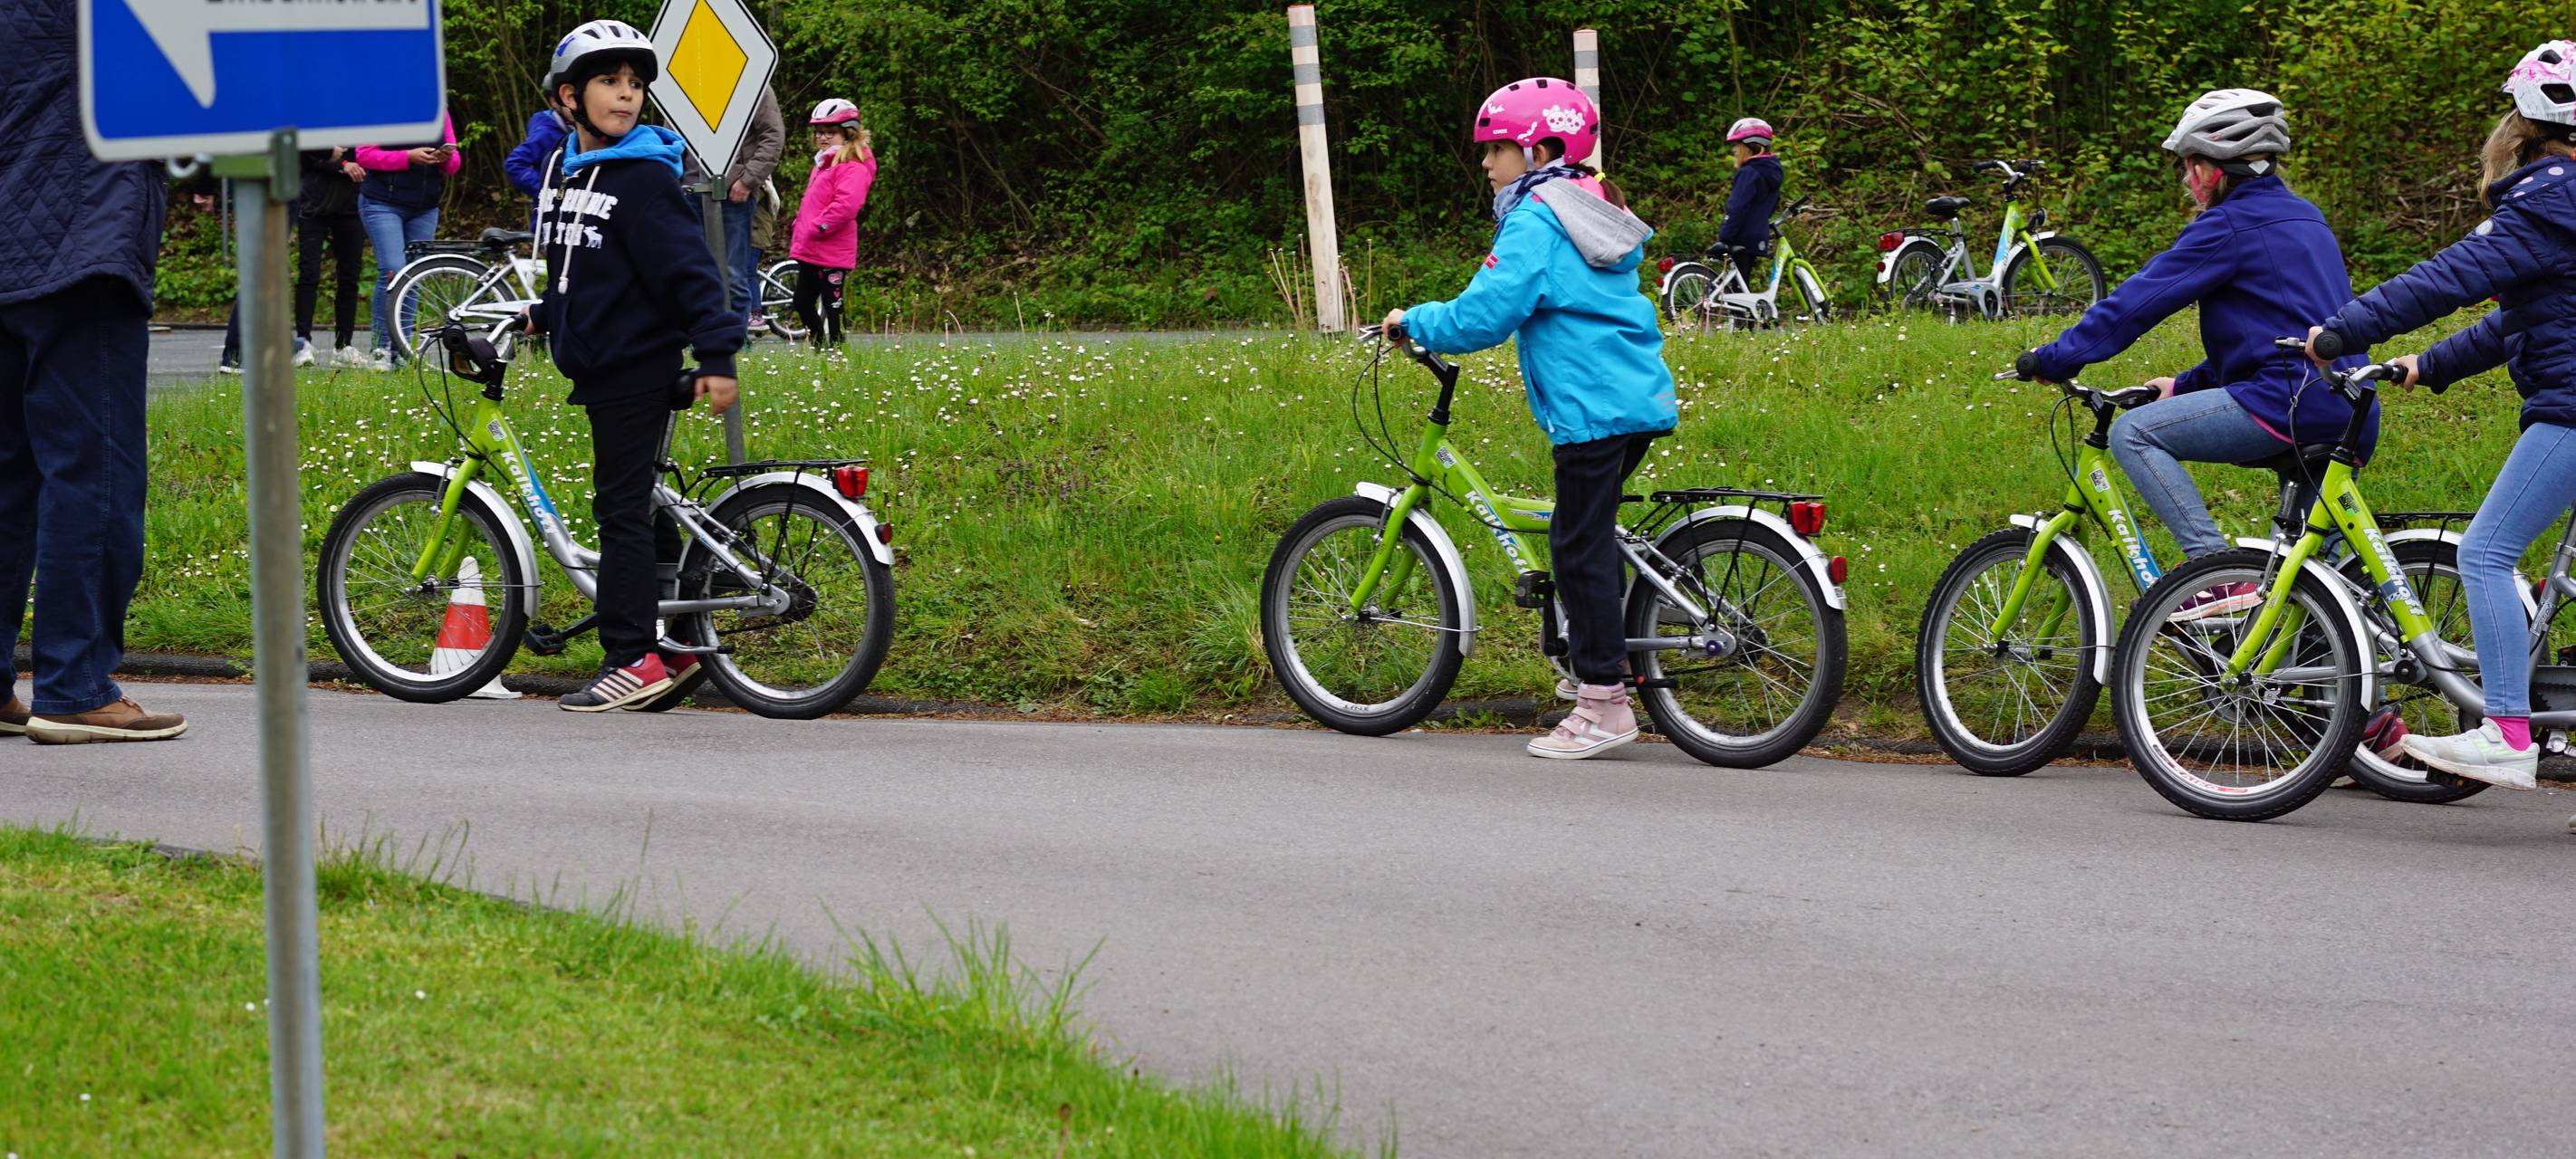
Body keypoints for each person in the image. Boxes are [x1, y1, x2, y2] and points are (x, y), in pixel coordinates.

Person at [2306, 41, 2576, 799]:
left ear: (2520, 128)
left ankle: (2507, 734)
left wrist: (2339, 332)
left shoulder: (2546, 200)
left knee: (2486, 552)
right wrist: (2431, 364)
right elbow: (2525, 318)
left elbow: (2447, 278)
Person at [1381, 77, 1677, 761]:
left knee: (1578, 548)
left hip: (1594, 406)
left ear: (1541, 148)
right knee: (1587, 536)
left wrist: (1412, 321)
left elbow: (1486, 311)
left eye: (1496, 150)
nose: (1486, 165)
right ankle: (1596, 651)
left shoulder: (1539, 215)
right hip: (1629, 396)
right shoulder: (1590, 204)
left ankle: (1603, 702)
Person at [2024, 89, 2373, 621]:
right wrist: (2183, 386)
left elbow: (2134, 304)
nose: (2187, 181)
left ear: (2211, 170)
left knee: (2132, 433)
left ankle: (2213, 571)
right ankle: (2338, 699)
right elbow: (2278, 328)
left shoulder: (2228, 226)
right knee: (2313, 593)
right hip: (2348, 405)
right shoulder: (2306, 218)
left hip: (2288, 402)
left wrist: (2056, 357)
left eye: (2189, 167)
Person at [525, 19, 745, 712]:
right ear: (569, 97)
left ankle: (632, 657)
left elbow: (692, 276)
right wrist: (543, 313)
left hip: (634, 368)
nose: (627, 96)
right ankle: (677, 641)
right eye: (610, 82)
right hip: (601, 366)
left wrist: (717, 354)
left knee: (617, 511)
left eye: (635, 85)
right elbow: (577, 266)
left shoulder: (645, 178)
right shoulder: (568, 169)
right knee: (644, 508)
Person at [1, 0, 187, 743]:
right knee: (95, 469)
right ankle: (76, 684)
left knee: (9, 477)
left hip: (11, 239)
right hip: (82, 242)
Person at [355, 110, 461, 370]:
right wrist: (408, 157)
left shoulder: (440, 111)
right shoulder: (382, 107)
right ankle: (380, 349)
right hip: (382, 202)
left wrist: (445, 158)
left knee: (414, 275)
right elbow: (364, 154)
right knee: (393, 270)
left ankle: (402, 349)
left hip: (424, 207)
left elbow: (455, 162)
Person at [788, 99, 875, 349]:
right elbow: (814, 202)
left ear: (847, 133)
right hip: (811, 248)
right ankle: (819, 346)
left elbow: (847, 205)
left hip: (832, 248)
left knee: (832, 304)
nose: (823, 137)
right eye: (819, 132)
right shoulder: (824, 163)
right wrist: (800, 224)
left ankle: (837, 353)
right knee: (802, 302)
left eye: (830, 132)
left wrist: (819, 226)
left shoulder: (853, 165)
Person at [298, 148, 370, 367]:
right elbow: (306, 154)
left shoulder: (364, 120)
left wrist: (347, 163)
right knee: (308, 274)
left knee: (350, 277)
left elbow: (367, 155)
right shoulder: (318, 118)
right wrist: (341, 165)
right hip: (314, 205)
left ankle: (343, 345)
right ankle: (303, 342)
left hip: (351, 207)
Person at [721, 86, 785, 325]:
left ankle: (743, 333)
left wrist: (746, 180)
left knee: (739, 271)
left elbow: (773, 136)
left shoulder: (752, 79)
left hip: (736, 197)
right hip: (692, 190)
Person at [1717, 117, 1782, 283]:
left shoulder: (1749, 172)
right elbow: (1772, 204)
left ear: (1752, 147)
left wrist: (1725, 237)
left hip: (1741, 236)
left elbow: (1737, 207)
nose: (1735, 150)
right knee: (1741, 282)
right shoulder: (1772, 172)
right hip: (1758, 236)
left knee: (1733, 290)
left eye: (1738, 145)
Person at [505, 105, 570, 229]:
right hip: (549, 220)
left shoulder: (574, 129)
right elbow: (515, 163)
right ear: (554, 101)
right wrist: (546, 190)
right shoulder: (546, 132)